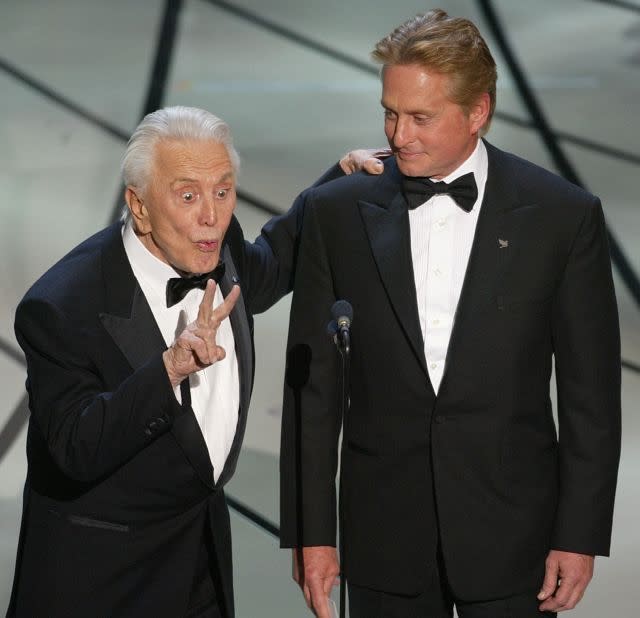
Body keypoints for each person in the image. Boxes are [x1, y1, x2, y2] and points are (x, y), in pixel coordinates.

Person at [280, 9, 621, 618]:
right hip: (383, 536)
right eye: (390, 111)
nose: (397, 134)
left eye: (420, 117)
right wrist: (314, 534)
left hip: (516, 536)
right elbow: (314, 394)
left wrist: (579, 533)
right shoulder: (336, 214)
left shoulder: (561, 215)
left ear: (478, 111)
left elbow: (590, 394)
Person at [6, 105, 376, 618]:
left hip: (199, 570)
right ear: (139, 207)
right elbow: (75, 446)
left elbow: (269, 265)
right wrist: (168, 371)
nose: (211, 215)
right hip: (103, 586)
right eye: (187, 196)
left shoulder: (216, 247)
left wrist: (338, 183)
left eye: (222, 192)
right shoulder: (61, 307)